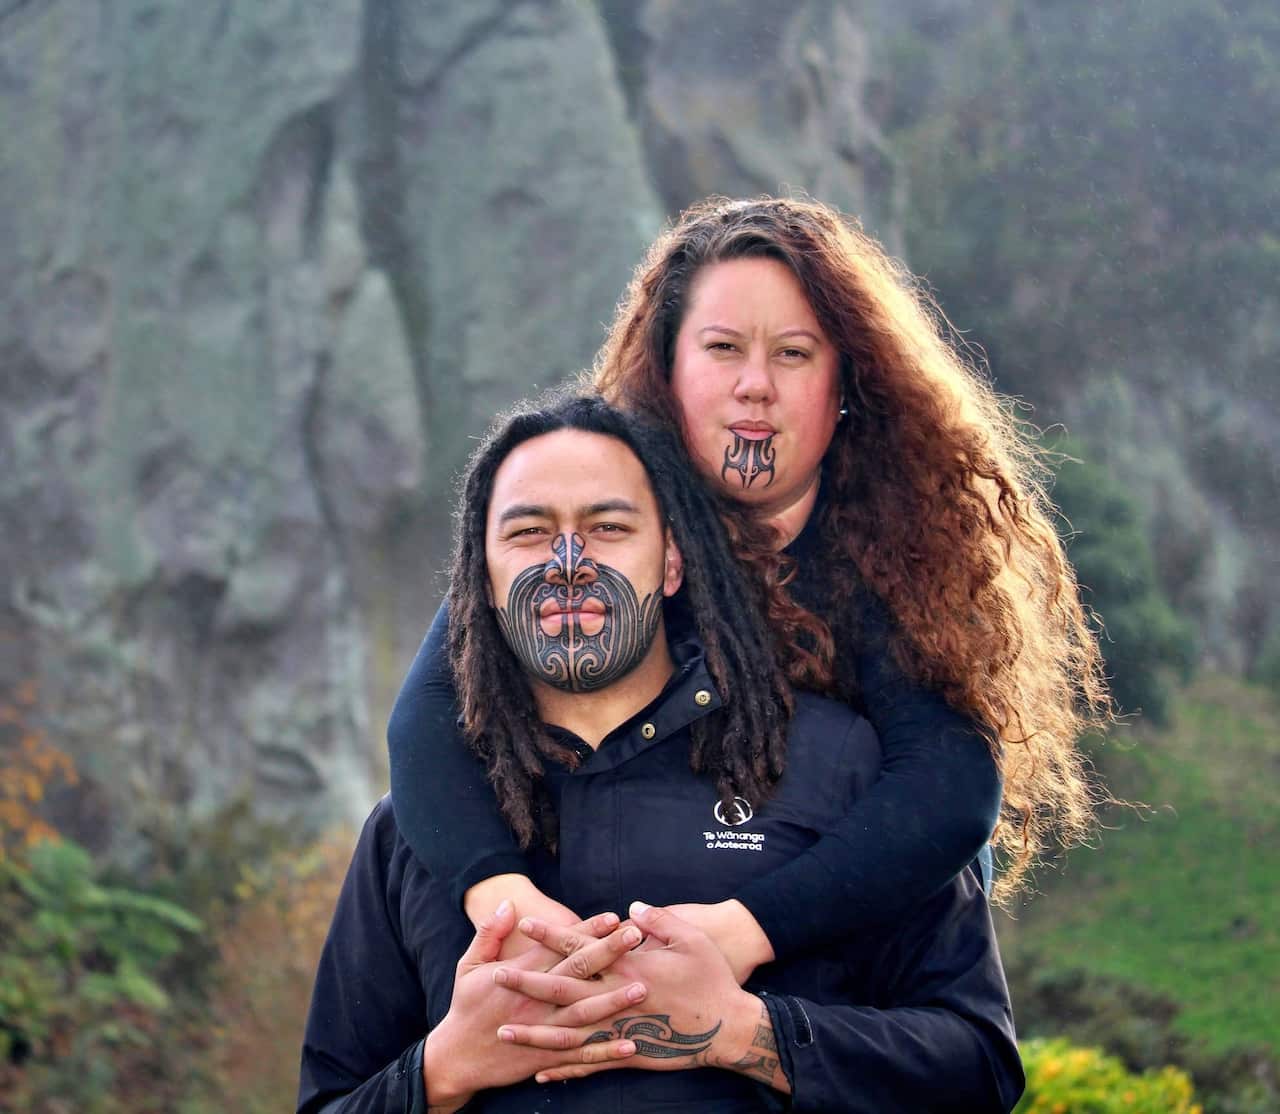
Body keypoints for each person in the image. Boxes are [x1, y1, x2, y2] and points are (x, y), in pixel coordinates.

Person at [386, 196, 1111, 977]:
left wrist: (744, 931)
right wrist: (507, 900)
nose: (755, 385)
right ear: (668, 370)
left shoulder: (901, 549)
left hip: (844, 956)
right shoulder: (601, 507)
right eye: (724, 348)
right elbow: (428, 716)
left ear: (847, 382)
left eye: (793, 353)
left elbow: (951, 790)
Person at [298, 396, 1025, 1113]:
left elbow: (979, 1069)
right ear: (480, 584)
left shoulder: (842, 772)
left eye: (608, 527)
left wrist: (747, 1033)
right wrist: (443, 1069)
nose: (569, 562)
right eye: (527, 532)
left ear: (671, 561)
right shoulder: (417, 833)